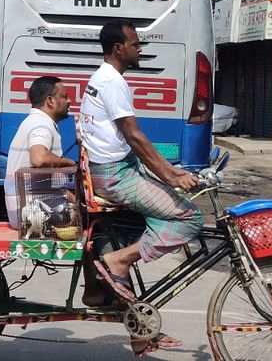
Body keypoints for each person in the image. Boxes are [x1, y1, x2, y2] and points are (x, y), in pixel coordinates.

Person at [79, 19, 202, 356]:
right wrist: (170, 177)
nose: (140, 49)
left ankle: (137, 328)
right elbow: (133, 136)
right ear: (119, 48)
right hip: (116, 176)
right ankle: (120, 261)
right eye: (135, 44)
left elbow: (129, 141)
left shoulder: (103, 78)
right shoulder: (113, 82)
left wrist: (170, 169)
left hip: (118, 167)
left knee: (156, 213)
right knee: (190, 217)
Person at [4, 76, 74, 229]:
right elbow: (39, 158)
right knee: (79, 217)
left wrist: (75, 199)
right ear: (50, 101)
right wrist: (67, 162)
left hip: (28, 207)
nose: (69, 101)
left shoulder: (36, 121)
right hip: (29, 213)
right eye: (64, 97)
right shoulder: (41, 124)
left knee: (80, 208)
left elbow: (52, 185)